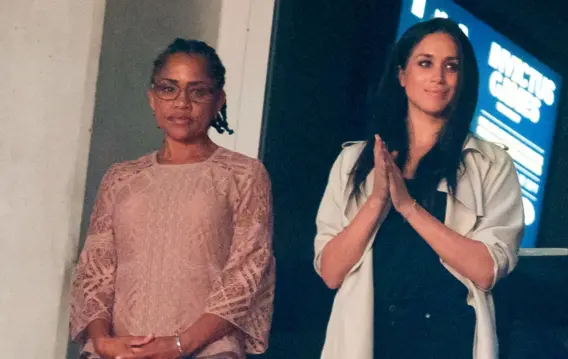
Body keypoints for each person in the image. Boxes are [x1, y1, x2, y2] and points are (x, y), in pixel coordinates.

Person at [313, 18, 524, 359]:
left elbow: (486, 270)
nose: (438, 77)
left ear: (463, 79)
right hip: (371, 340)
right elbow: (331, 272)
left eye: (451, 66)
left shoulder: (491, 164)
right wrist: (380, 199)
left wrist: (409, 207)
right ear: (402, 75)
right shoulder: (355, 161)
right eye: (425, 63)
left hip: (449, 340)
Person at [69, 38, 275, 359]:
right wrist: (102, 342)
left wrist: (179, 345)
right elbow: (94, 271)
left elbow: (247, 273)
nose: (182, 103)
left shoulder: (243, 174)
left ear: (218, 100)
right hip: (119, 351)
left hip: (207, 351)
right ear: (152, 99)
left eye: (198, 91)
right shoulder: (121, 177)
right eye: (169, 89)